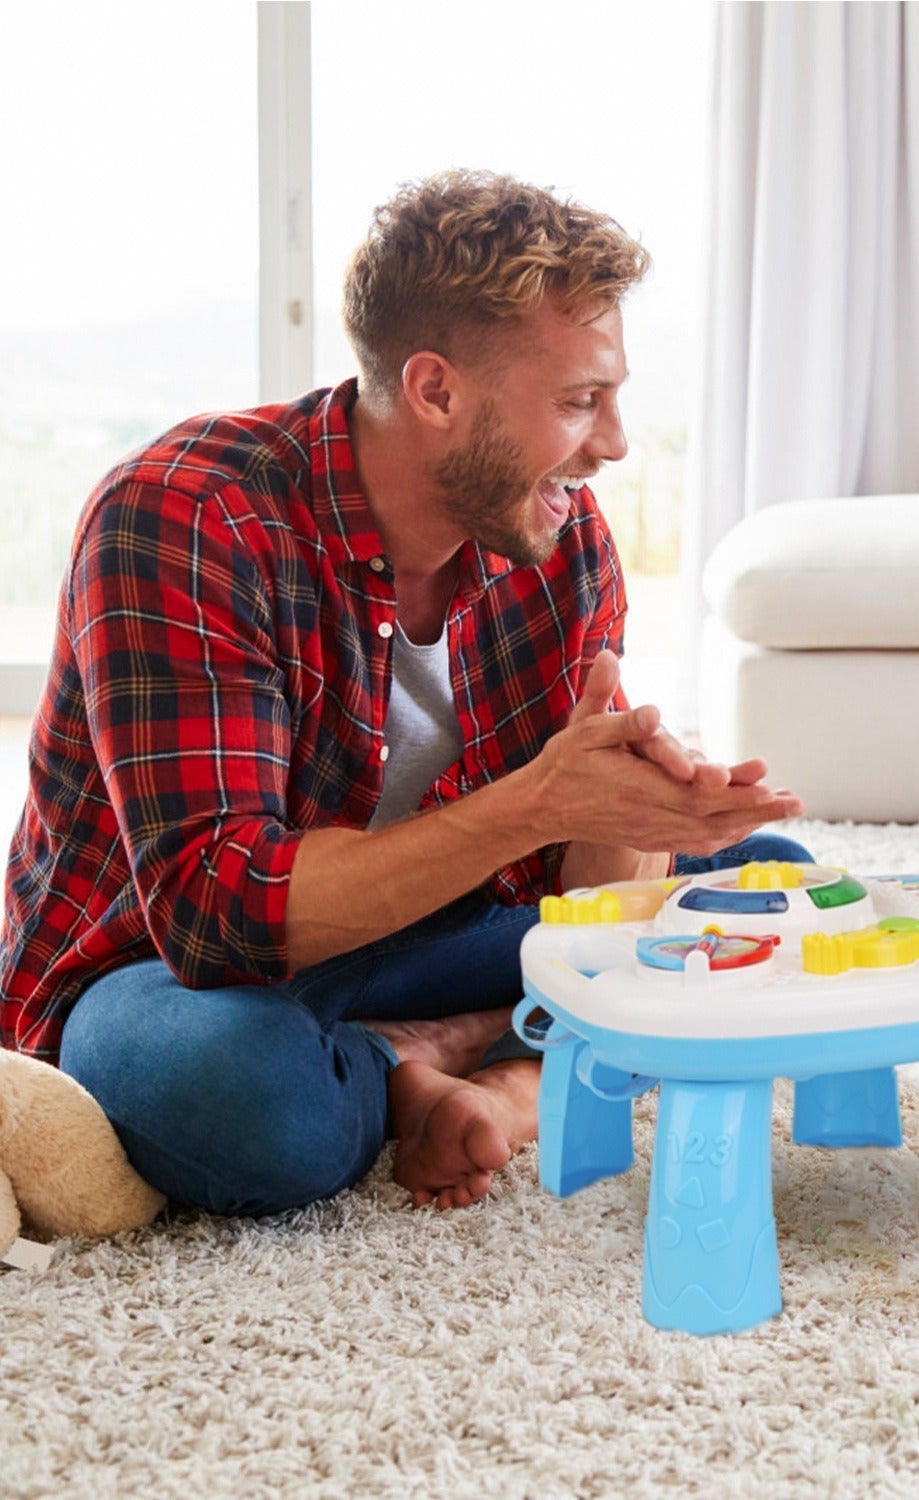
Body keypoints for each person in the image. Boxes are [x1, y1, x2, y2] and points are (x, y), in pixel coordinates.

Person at [0, 169, 808, 1219]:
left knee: (776, 889)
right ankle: (443, 1064)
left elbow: (583, 905)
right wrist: (539, 805)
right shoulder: (185, 516)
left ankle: (478, 1069)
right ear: (435, 391)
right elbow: (214, 916)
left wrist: (629, 812)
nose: (612, 443)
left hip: (440, 933)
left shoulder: (557, 535)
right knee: (233, 1093)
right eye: (577, 402)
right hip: (179, 973)